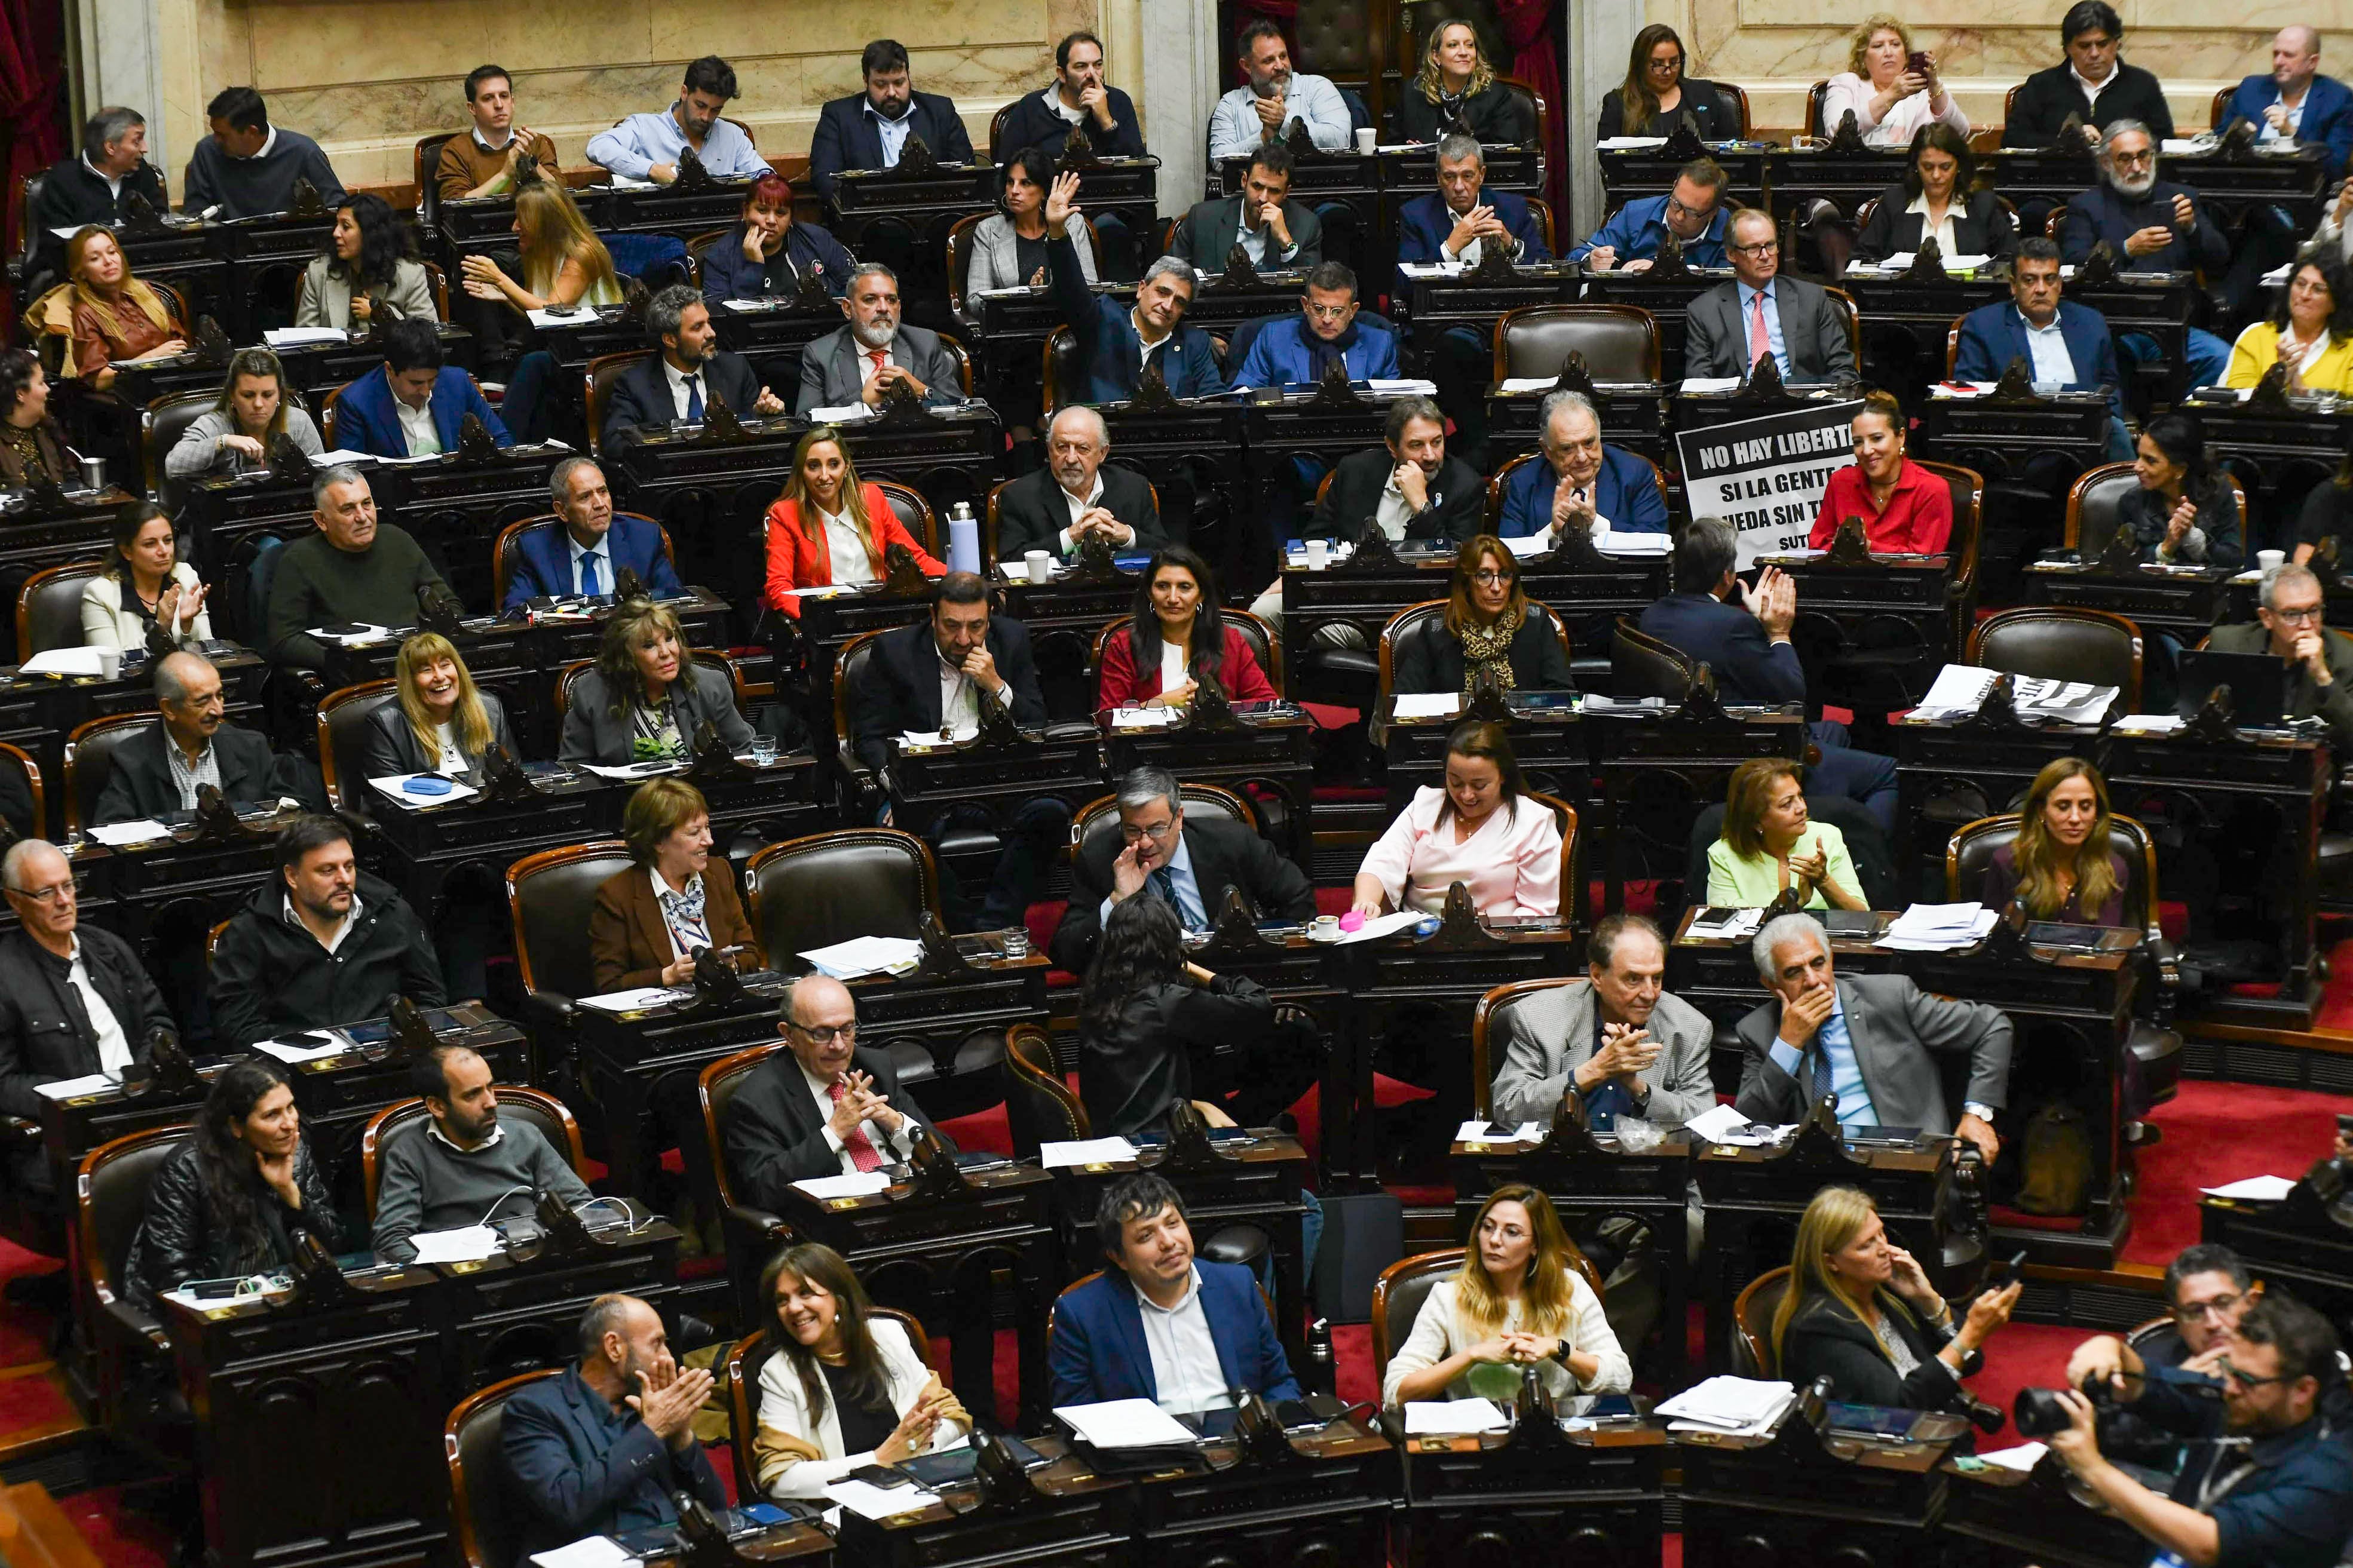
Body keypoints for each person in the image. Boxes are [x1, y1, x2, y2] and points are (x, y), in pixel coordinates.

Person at [2046, 1294, 2353, 1568]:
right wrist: (2111, 1349)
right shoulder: (2238, 1404)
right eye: (2229, 1368)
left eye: (2246, 1379)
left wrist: (2092, 1468)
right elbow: (2143, 1383)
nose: (2229, 1388)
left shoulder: (2325, 1480)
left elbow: (2208, 1545)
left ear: (2302, 1391)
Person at [1640, 520, 1901, 829]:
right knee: (1888, 773)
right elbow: (1792, 694)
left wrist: (1752, 620)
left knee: (1835, 732)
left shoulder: (1651, 617)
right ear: (1727, 576)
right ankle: (1855, 850)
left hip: (1679, 742)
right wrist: (1778, 633)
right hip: (1749, 751)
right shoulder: (1732, 626)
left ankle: (1817, 821)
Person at [848, 574, 1065, 928]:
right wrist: (899, 788)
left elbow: (1036, 722)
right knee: (904, 833)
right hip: (925, 787)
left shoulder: (1012, 640)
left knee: (1051, 813)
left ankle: (994, 925)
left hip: (997, 783)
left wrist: (997, 685)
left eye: (976, 626)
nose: (964, 639)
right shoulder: (895, 651)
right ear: (932, 616)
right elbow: (869, 738)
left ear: (990, 618)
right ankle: (962, 930)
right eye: (951, 626)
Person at [0, 839, 173, 1229]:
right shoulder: (5, 976)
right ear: (15, 901)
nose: (64, 901)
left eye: (68, 885)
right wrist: (80, 1096)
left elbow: (158, 1023)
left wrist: (143, 1076)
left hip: (145, 1107)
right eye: (47, 892)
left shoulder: (109, 948)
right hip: (72, 1135)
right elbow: (3, 1081)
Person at [1738, 912, 2010, 1156]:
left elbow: (1992, 1026)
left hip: (1904, 1159)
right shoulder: (1759, 1030)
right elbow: (1747, 1128)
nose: (1813, 981)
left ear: (1831, 958)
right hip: (1816, 1170)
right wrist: (1788, 1044)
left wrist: (1977, 1114)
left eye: (1818, 963)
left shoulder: (1889, 997)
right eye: (1794, 972)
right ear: (1772, 984)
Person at [1050, 1173, 1302, 1410]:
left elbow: (1279, 1383)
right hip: (1149, 1442)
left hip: (1240, 1434)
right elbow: (1079, 1416)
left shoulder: (1237, 1286)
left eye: (1172, 1224)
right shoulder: (1083, 1315)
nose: (1169, 1242)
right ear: (1119, 1258)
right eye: (1146, 1236)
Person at [503, 1294, 725, 1559]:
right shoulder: (534, 1409)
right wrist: (652, 1431)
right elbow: (566, 1504)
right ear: (614, 1348)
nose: (668, 1356)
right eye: (657, 1344)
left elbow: (718, 1510)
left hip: (677, 1556)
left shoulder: (650, 1405)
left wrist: (681, 1436)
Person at [1078, 897, 1321, 1136]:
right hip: (1159, 1141)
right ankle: (1244, 1125)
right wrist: (1196, 970)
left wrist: (1200, 1105)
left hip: (1107, 1136)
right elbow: (1257, 1003)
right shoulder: (1165, 1001)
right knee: (1303, 1050)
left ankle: (1237, 1121)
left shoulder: (1095, 998)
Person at [752, 1243, 971, 1499]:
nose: (793, 1308)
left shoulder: (888, 1336)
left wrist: (919, 1445)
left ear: (839, 1297)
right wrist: (878, 1459)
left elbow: (955, 1419)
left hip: (921, 1490)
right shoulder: (780, 1374)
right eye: (782, 1300)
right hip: (851, 1505)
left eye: (805, 1293)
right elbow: (782, 1479)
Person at [120, 1057, 341, 1308]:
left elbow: (334, 1246)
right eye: (272, 1115)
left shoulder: (296, 1154)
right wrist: (239, 1297)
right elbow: (171, 1274)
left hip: (289, 1298)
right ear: (236, 1126)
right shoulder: (186, 1169)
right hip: (216, 1305)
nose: (289, 1124)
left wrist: (290, 1194)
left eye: (290, 1108)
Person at [208, 815, 444, 1050]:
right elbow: (239, 1029)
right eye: (327, 870)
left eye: (349, 866)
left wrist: (394, 1036)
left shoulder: (392, 915)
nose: (344, 879)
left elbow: (431, 999)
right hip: (293, 1065)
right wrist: (320, 1047)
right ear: (292, 876)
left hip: (388, 1055)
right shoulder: (249, 934)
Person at [1049, 765, 1316, 973]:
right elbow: (1067, 954)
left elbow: (1298, 897)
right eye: (1132, 830)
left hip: (1232, 977)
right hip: (1148, 993)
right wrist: (1116, 901)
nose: (1145, 842)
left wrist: (1278, 967)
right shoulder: (1100, 859)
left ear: (1178, 818)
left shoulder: (1232, 842)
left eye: (1156, 829)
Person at [1771, 1185, 2020, 1404]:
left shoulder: (1885, 1292)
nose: (1885, 1249)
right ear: (1831, 1262)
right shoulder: (1821, 1326)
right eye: (1866, 1245)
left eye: (1881, 1234)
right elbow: (1901, 1404)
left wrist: (1929, 1301)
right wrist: (1971, 1333)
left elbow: (1972, 1362)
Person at [1384, 1185, 1630, 1403]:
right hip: (1476, 1434)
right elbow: (1396, 1392)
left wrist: (1559, 1350)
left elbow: (1619, 1379)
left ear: (1536, 1245)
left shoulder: (1570, 1289)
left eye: (1512, 1232)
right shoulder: (1448, 1297)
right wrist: (1472, 1356)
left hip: (1556, 1431)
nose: (1494, 1240)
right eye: (1488, 1227)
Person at [723, 975, 949, 1207]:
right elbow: (764, 1190)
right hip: (837, 1217)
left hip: (911, 1201)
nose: (839, 1045)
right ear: (789, 1035)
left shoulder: (875, 1068)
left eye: (847, 1029)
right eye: (822, 1034)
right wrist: (835, 1132)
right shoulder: (757, 1099)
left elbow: (948, 1155)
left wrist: (894, 1121)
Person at [370, 1044, 592, 1263]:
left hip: (533, 1262)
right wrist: (441, 1270)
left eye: (490, 1087)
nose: (491, 1102)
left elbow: (583, 1207)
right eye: (472, 1095)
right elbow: (391, 1239)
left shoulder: (525, 1136)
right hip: (458, 1275)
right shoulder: (408, 1153)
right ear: (437, 1106)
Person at [1490, 914, 1715, 1128]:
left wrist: (1639, 1088)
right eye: (1633, 979)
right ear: (1597, 976)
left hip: (1647, 1154)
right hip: (1563, 1152)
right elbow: (1508, 1109)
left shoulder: (1689, 1027)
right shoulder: (1539, 1017)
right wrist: (1593, 1071)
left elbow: (1706, 1122)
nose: (1650, 994)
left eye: (1656, 978)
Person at [2061, 122, 2232, 389]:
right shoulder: (2086, 206)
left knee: (2222, 360)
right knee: (2113, 366)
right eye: (2125, 159)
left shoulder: (2181, 198)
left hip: (2176, 324)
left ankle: (2179, 415)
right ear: (2106, 163)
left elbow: (2220, 258)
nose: (2137, 167)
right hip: (2113, 325)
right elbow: (2073, 262)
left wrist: (2192, 229)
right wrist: (2126, 249)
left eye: (2144, 156)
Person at [2064, 1244, 2262, 1467]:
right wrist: (2172, 1390)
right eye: (2195, 1311)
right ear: (2176, 1319)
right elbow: (2115, 1441)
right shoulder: (2150, 1357)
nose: (2213, 1323)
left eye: (2223, 1304)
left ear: (2251, 1303)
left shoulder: (2282, 1362)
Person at [1354, 717, 1562, 918]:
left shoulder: (1534, 821)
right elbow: (1383, 860)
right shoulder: (1426, 804)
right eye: (1456, 783)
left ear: (1503, 776)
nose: (1467, 795)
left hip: (1498, 936)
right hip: (1418, 933)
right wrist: (1366, 902)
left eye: (1479, 785)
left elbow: (1536, 911)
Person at [1951, 236, 2133, 461]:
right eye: (2030, 280)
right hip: (2019, 435)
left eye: (2049, 279)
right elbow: (1968, 391)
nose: (2041, 289)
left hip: (2085, 431)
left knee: (2115, 431)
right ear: (2013, 285)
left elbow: (2111, 387)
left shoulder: (2091, 322)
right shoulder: (1984, 325)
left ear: (2060, 284)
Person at [1049, 177, 1224, 402]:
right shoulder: (1104, 320)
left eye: (1180, 301)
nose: (1168, 305)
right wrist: (1057, 231)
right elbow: (1071, 288)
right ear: (1142, 288)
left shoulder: (1195, 343)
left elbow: (1215, 401)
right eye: (1162, 292)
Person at [264, 465, 453, 670]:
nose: (362, 517)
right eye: (348, 509)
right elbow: (285, 640)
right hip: (353, 673)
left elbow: (450, 606)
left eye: (367, 504)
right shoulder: (299, 560)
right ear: (321, 520)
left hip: (419, 664)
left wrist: (424, 643)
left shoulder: (398, 540)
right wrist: (338, 661)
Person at [589, 778, 758, 991]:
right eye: (694, 833)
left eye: (707, 827)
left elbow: (750, 953)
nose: (709, 840)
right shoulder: (617, 896)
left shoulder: (719, 873)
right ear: (658, 842)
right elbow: (609, 985)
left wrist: (731, 966)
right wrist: (667, 976)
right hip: (666, 1009)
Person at [761, 428, 944, 618]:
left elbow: (918, 560)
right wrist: (810, 619)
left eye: (834, 464)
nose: (824, 476)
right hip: (827, 619)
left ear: (847, 466)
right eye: (814, 466)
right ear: (801, 470)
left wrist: (958, 583)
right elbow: (778, 588)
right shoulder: (785, 514)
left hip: (882, 612)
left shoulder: (872, 500)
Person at [93, 651, 278, 824]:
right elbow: (112, 829)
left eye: (220, 696)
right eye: (203, 701)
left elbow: (286, 811)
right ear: (169, 709)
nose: (218, 711)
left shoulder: (251, 747)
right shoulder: (129, 761)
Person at [560, 602, 753, 766]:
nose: (666, 652)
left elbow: (745, 749)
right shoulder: (591, 694)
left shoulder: (710, 685)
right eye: (649, 645)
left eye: (669, 639)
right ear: (626, 656)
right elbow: (574, 768)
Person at [1094, 547, 1276, 719]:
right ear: (1150, 593)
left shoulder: (1230, 641)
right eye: (1163, 586)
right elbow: (1109, 718)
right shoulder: (1123, 645)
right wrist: (1160, 704)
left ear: (1201, 595)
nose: (1173, 598)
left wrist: (1218, 707)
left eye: (1185, 587)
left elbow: (1268, 704)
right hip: (1150, 742)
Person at [602, 286, 784, 453]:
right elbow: (615, 442)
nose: (711, 333)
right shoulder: (635, 384)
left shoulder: (735, 369)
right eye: (698, 328)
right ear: (670, 340)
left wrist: (762, 415)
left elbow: (756, 430)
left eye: (708, 323)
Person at [1687, 208, 1858, 382]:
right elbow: (1698, 384)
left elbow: (1843, 370)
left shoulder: (1812, 298)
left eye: (1770, 245)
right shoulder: (1704, 311)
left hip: (1800, 397)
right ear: (1731, 254)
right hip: (1737, 399)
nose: (1765, 256)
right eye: (1753, 248)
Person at [1392, 535, 1576, 695]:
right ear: (1466, 583)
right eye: (1484, 576)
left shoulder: (1536, 623)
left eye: (1504, 575)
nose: (1496, 587)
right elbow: (1404, 698)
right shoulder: (1436, 632)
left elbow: (1563, 694)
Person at [504, 458, 683, 613]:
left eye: (603, 491)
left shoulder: (643, 538)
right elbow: (515, 612)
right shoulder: (536, 549)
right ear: (562, 511)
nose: (600, 504)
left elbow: (676, 603)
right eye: (585, 497)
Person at [2207, 563, 2353, 748]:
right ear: (2267, 618)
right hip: (2242, 754)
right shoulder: (2228, 645)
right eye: (2292, 614)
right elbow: (2192, 716)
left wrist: (2323, 677)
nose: (2307, 624)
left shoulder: (2346, 656)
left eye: (2314, 611)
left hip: (2312, 761)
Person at [807, 39, 975, 198]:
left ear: (908, 76)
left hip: (934, 213)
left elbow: (966, 171)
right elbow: (825, 180)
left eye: (899, 83)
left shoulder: (940, 112)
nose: (892, 92)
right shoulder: (838, 117)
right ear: (866, 80)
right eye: (881, 85)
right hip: (868, 216)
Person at [1305, 395, 1484, 544]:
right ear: (1392, 447)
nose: (1430, 456)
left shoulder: (1465, 487)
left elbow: (1459, 561)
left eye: (1437, 442)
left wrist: (1422, 506)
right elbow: (1315, 540)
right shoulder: (1354, 472)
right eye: (1417, 445)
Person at [993, 406, 1163, 561]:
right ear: (1050, 450)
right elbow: (1009, 561)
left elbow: (1164, 552)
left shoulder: (1134, 488)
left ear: (1102, 453)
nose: (1071, 458)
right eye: (1062, 447)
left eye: (1083, 448)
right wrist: (1070, 537)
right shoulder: (1020, 496)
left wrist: (1127, 536)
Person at [1499, 390, 1670, 541]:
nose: (1582, 457)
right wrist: (1551, 531)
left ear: (1599, 436)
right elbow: (1506, 555)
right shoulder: (1523, 483)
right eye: (1567, 448)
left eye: (1589, 443)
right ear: (1547, 450)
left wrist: (1596, 524)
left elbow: (1656, 540)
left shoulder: (1635, 473)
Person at [330, 318, 510, 460]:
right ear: (390, 370)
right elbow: (352, 473)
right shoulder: (356, 402)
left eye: (432, 380)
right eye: (416, 383)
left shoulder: (458, 382)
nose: (426, 391)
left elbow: (503, 442)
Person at [796, 263, 963, 415]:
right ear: (848, 309)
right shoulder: (820, 355)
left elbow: (961, 408)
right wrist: (861, 402)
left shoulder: (925, 343)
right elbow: (806, 420)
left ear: (899, 307)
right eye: (870, 299)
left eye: (891, 300)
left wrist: (922, 392)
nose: (883, 308)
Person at [1978, 757, 2130, 924]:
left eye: (2085, 807)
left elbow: (2108, 938)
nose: (2075, 818)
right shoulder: (2007, 863)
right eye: (2063, 807)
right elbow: (1992, 934)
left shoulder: (2113, 870)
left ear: (2097, 813)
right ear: (2041, 812)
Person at [2002, 1, 2174, 148]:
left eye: (2102, 44)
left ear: (2117, 43)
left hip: (2124, 175)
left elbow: (2164, 142)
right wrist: (2064, 141)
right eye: (2084, 46)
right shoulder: (2041, 85)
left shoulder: (2143, 85)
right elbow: (2012, 140)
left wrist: (2122, 143)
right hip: (2059, 174)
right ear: (2068, 48)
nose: (2094, 54)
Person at [362, 633, 522, 786]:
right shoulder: (386, 724)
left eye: (445, 665)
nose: (439, 677)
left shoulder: (490, 708)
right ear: (411, 682)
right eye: (426, 670)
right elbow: (390, 796)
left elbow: (513, 777)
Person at [1708, 758, 1867, 912]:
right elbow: (1729, 925)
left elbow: (1862, 916)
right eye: (1787, 804)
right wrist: (1798, 904)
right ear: (1756, 821)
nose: (1802, 808)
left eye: (1800, 796)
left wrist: (1824, 881)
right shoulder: (1723, 855)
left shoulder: (1827, 837)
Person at [587, 56, 771, 185]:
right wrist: (651, 169)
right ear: (684, 93)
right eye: (700, 105)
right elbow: (598, 146)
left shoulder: (732, 136)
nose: (706, 117)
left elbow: (768, 179)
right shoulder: (645, 128)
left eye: (716, 110)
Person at [38, 227, 184, 389]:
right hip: (131, 393)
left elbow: (179, 343)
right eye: (95, 258)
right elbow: (98, 379)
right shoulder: (86, 314)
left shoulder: (145, 291)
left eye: (112, 252)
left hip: (173, 380)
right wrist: (151, 358)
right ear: (81, 273)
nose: (108, 261)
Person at [1808, 390, 1952, 553]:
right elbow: (1817, 546)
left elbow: (1923, 561)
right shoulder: (1840, 482)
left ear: (1901, 437)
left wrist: (1865, 549)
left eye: (1877, 439)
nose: (1867, 450)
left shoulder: (1931, 489)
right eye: (1858, 442)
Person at [1399, 133, 1554, 279]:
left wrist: (1511, 244)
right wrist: (1449, 249)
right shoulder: (1416, 216)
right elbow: (1403, 284)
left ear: (1481, 175)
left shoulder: (1513, 209)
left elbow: (1548, 268)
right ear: (1439, 178)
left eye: (1467, 176)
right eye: (1449, 177)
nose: (1459, 187)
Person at [1852, 124, 2014, 262]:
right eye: (1928, 167)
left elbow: (2011, 259)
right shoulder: (1894, 202)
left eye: (1945, 167)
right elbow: (1861, 258)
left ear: (1959, 167)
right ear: (1916, 167)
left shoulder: (1983, 205)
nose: (1936, 175)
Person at [161, 347, 323, 483]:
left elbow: (323, 478)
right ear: (232, 395)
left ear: (279, 395)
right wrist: (223, 441)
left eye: (268, 395)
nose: (258, 404)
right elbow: (173, 466)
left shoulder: (298, 421)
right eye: (248, 395)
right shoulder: (213, 424)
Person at [180, 87, 344, 219]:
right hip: (228, 246)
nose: (216, 140)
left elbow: (338, 208)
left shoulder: (303, 152)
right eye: (215, 133)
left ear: (252, 132)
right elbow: (195, 215)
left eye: (223, 135)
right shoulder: (207, 151)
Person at [1228, 262, 1397, 389]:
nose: (1327, 319)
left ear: (1353, 311)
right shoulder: (1273, 339)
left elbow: (1393, 408)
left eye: (1337, 311)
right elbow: (1245, 396)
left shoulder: (1380, 345)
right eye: (1319, 309)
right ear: (1305, 305)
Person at [700, 173, 856, 306]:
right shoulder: (720, 255)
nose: (771, 221)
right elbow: (719, 315)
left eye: (781, 213)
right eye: (762, 210)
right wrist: (753, 268)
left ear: (791, 218)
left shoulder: (818, 239)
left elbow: (854, 288)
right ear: (746, 211)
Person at [1209, 20, 1352, 160]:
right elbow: (1218, 160)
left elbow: (1342, 141)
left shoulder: (1317, 87)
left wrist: (1286, 122)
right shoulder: (1230, 104)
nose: (1280, 66)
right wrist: (1263, 138)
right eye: (1268, 60)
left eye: (1283, 56)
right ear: (1246, 66)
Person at [995, 30, 1145, 162]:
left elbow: (1139, 165)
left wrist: (1106, 121)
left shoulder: (1118, 101)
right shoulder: (1031, 107)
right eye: (1081, 66)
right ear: (1062, 74)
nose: (1092, 74)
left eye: (1098, 65)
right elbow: (1005, 170)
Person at [81, 502, 212, 652]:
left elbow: (208, 651)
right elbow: (109, 662)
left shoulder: (185, 576)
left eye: (168, 540)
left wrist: (187, 625)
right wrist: (160, 629)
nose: (164, 551)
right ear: (127, 551)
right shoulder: (99, 595)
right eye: (150, 544)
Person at [2226, 26, 2353, 179]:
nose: (2278, 62)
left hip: (2302, 186)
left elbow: (2335, 167)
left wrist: (2291, 134)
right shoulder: (2251, 88)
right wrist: (2239, 136)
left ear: (2312, 62)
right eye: (2276, 54)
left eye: (2288, 55)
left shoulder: (2338, 99)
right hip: (2244, 181)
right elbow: (2218, 142)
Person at [1821, 15, 1966, 148]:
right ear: (1863, 58)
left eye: (1895, 44)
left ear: (1906, 55)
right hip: (1862, 165)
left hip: (1914, 166)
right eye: (1878, 46)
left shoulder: (1923, 87)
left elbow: (1960, 132)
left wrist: (1935, 88)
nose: (1889, 53)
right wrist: (1892, 94)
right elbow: (1837, 132)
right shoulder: (1845, 84)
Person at [296, 194, 437, 329]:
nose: (336, 233)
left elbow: (428, 333)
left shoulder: (411, 275)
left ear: (370, 233)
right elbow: (304, 336)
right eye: (337, 225)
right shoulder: (319, 272)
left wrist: (382, 315)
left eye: (346, 227)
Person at [1174, 143, 1322, 272]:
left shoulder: (1307, 226)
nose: (1263, 198)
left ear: (1286, 192)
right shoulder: (1202, 218)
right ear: (1244, 181)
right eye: (1257, 186)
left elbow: (1313, 285)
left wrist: (1287, 243)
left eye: (1274, 191)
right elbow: (1171, 273)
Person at [2121, 413, 2242, 569]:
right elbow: (2121, 563)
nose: (2137, 467)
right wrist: (2165, 549)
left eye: (2150, 460)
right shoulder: (2131, 502)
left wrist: (2198, 542)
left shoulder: (2218, 492)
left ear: (2180, 469)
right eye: (2139, 456)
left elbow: (2234, 561)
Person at [968, 152, 1099, 296]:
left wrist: (1046, 294)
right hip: (1012, 311)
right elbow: (975, 299)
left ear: (1044, 191)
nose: (1014, 191)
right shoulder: (988, 230)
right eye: (1010, 182)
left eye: (1025, 183)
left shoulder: (1073, 224)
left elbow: (1092, 289)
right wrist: (1026, 294)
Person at [1566, 157, 1729, 272]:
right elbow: (1574, 258)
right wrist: (1591, 260)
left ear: (1713, 213)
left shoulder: (1729, 227)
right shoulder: (1635, 214)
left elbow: (1732, 285)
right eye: (1676, 204)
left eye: (1692, 212)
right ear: (1674, 187)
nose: (1679, 217)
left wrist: (1660, 269)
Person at [29, 107, 167, 239]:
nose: (145, 148)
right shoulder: (62, 180)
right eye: (137, 141)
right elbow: (54, 240)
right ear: (111, 147)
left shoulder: (144, 173)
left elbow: (163, 222)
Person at [1390, 20, 1534, 145]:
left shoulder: (1496, 96)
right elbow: (1393, 150)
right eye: (1453, 45)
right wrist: (1416, 155)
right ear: (1436, 56)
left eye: (1470, 45)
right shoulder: (1412, 94)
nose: (1464, 52)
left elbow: (1507, 153)